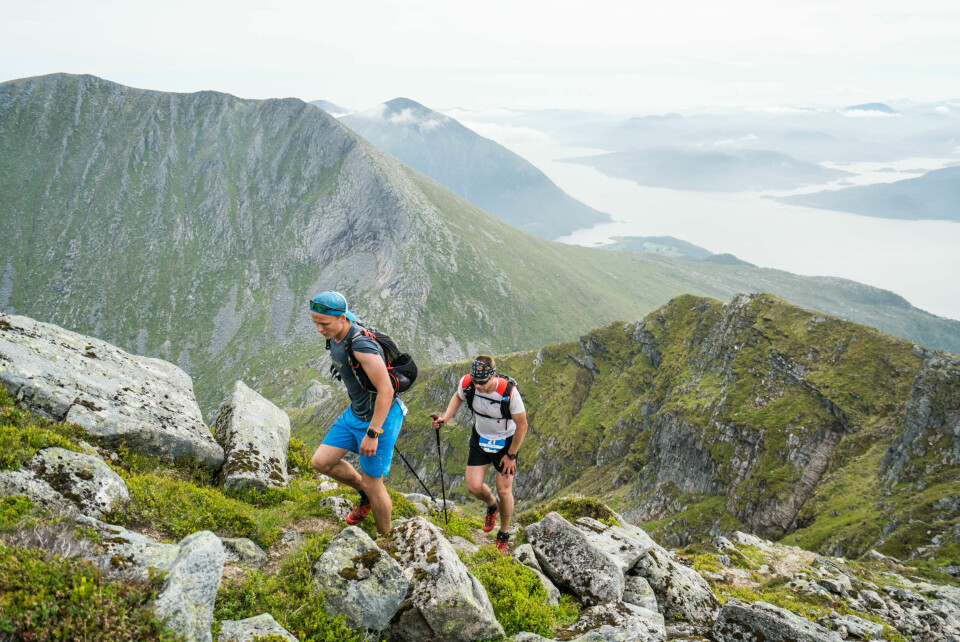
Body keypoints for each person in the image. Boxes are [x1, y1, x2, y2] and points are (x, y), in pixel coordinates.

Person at [308, 290, 405, 535]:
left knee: (375, 484)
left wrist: (373, 433)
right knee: (321, 462)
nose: (319, 329)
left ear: (342, 318)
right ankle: (364, 496)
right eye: (316, 323)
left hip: (378, 419)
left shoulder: (361, 344)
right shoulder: (339, 329)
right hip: (355, 413)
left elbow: (387, 390)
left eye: (324, 324)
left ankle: (385, 539)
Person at [431, 356, 528, 553]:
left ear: (493, 375)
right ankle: (492, 506)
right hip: (481, 439)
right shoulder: (468, 384)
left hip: (505, 444)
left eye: (482, 382)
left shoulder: (509, 392)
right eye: (475, 381)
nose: (478, 386)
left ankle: (503, 534)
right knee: (474, 486)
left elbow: (522, 424)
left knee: (504, 490)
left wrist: (511, 455)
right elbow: (458, 396)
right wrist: (445, 419)